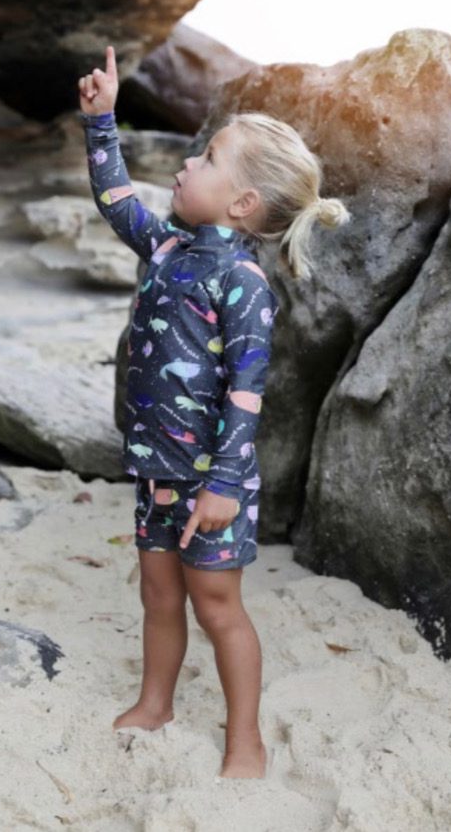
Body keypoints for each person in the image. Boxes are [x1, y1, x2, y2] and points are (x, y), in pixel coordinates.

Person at [78, 46, 350, 779]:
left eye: (207, 158)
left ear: (241, 205)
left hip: (213, 479)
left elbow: (245, 390)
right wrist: (101, 123)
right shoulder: (167, 248)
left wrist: (225, 483)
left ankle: (245, 741)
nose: (186, 163)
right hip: (157, 472)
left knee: (217, 604)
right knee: (158, 591)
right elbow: (114, 202)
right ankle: (156, 701)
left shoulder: (244, 283)